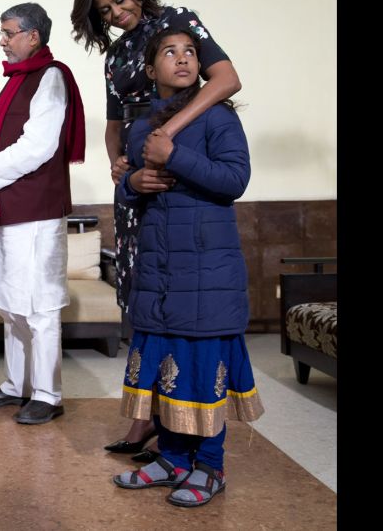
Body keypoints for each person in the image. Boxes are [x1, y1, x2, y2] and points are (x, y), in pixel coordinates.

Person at [69, 0, 242, 458]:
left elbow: (226, 79)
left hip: (176, 164)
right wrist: (118, 166)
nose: (116, 13)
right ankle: (148, 417)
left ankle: (179, 423)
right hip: (139, 179)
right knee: (140, 300)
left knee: (178, 300)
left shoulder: (176, 24)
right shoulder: (116, 56)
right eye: (104, 10)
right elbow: (115, 124)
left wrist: (168, 133)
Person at [110, 27, 263, 507]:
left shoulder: (218, 119)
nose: (182, 59)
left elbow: (235, 179)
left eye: (191, 52)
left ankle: (210, 467)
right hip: (158, 269)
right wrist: (134, 179)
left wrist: (175, 155)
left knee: (201, 367)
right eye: (169, 53)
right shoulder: (141, 128)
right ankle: (174, 458)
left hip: (207, 270)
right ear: (151, 69)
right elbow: (129, 193)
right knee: (164, 368)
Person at [0, 2, 85, 425]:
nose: (2, 39)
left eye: (9, 32)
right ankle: (16, 385)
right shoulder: (18, 78)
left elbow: (40, 145)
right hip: (8, 205)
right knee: (10, 303)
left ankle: (48, 394)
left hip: (35, 211)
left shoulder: (50, 77)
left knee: (39, 306)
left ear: (33, 36)